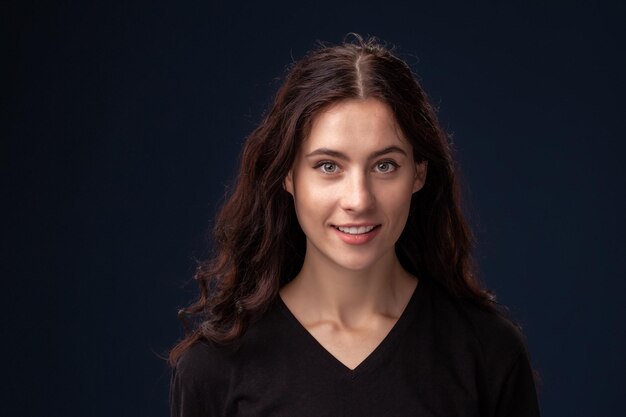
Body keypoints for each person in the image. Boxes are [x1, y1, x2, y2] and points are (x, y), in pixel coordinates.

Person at [169, 34, 541, 417]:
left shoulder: (487, 352)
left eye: (385, 166)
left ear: (419, 175)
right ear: (288, 177)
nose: (359, 199)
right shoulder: (214, 368)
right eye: (329, 166)